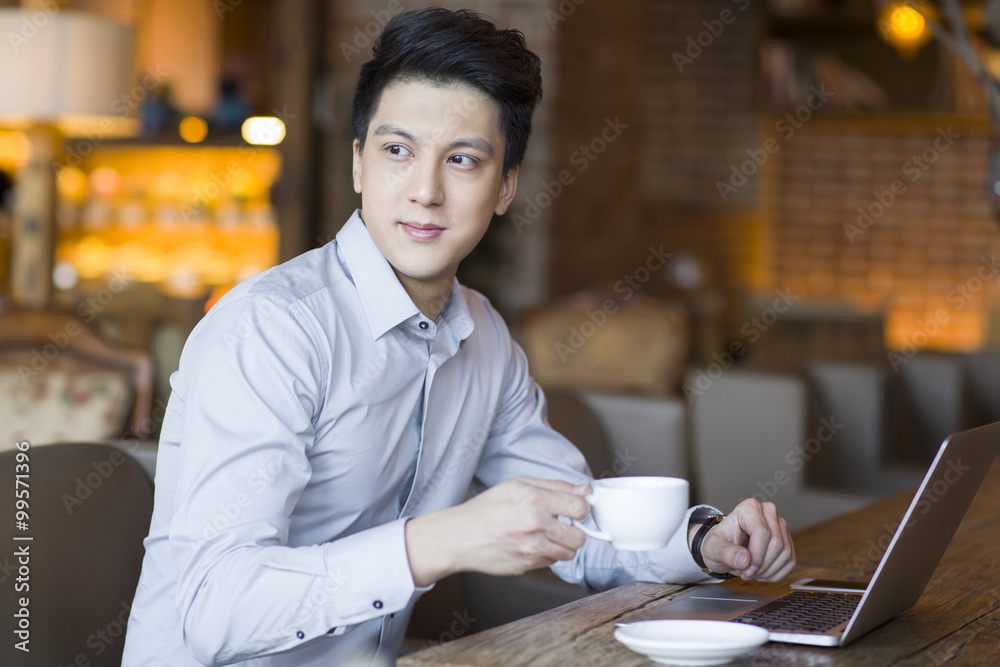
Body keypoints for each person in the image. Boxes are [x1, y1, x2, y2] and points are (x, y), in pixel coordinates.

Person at [122, 8, 795, 666]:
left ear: (505, 186)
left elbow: (577, 526)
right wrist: (436, 542)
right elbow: (212, 610)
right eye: (397, 151)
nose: (424, 190)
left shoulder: (484, 339)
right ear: (359, 164)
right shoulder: (271, 331)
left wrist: (705, 542)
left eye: (464, 160)